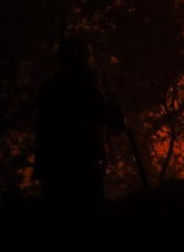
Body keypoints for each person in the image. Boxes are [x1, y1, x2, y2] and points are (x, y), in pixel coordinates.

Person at [35, 36, 123, 224]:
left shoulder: (51, 87)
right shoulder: (85, 87)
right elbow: (115, 119)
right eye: (88, 54)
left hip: (53, 170)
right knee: (88, 224)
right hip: (82, 170)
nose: (91, 58)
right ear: (82, 57)